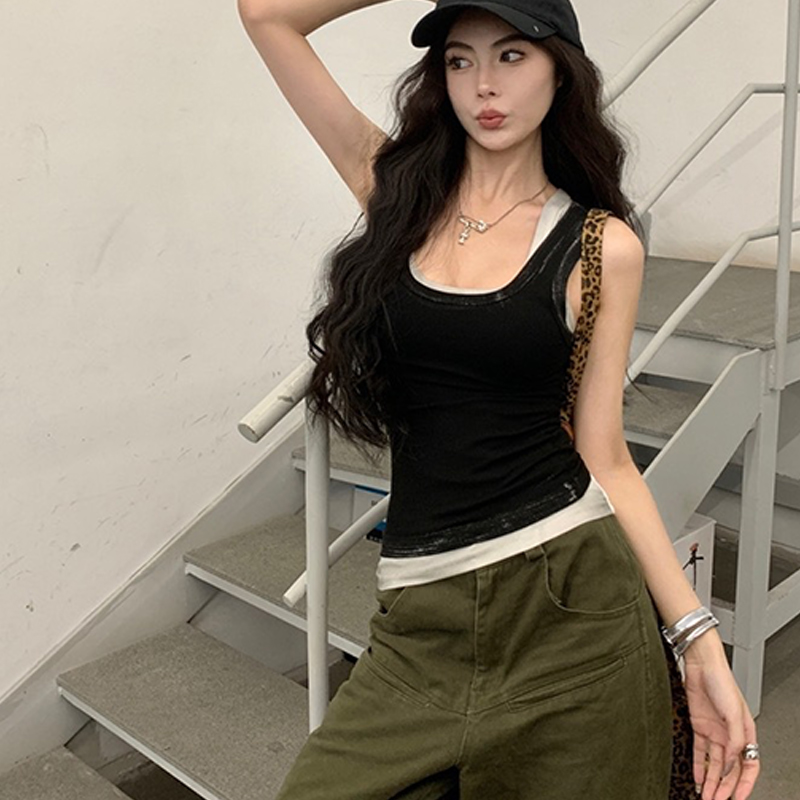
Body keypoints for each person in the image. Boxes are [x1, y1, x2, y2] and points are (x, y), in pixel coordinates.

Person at [237, 0, 761, 797]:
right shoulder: (396, 194)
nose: (484, 84)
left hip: (571, 600)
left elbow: (605, 455)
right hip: (421, 617)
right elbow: (267, 15)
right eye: (460, 59)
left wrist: (698, 640)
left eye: (512, 55)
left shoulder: (601, 245)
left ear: (561, 69)